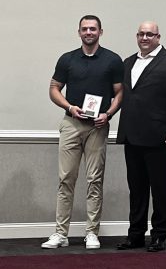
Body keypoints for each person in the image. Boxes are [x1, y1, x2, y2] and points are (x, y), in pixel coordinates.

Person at [41, 15, 124, 249]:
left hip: (97, 127)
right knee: (66, 179)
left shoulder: (112, 60)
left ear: (101, 32)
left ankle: (91, 233)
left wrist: (108, 114)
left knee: (94, 180)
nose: (89, 32)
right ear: (79, 32)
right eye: (85, 29)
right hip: (71, 124)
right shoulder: (67, 59)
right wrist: (69, 107)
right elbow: (54, 88)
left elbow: (119, 92)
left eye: (93, 29)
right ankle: (60, 234)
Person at [116, 21, 166, 252]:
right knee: (136, 189)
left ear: (158, 36)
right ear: (136, 36)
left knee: (160, 189)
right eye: (141, 34)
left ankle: (159, 235)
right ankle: (135, 235)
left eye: (150, 34)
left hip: (160, 136)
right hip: (132, 135)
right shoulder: (128, 62)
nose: (145, 37)